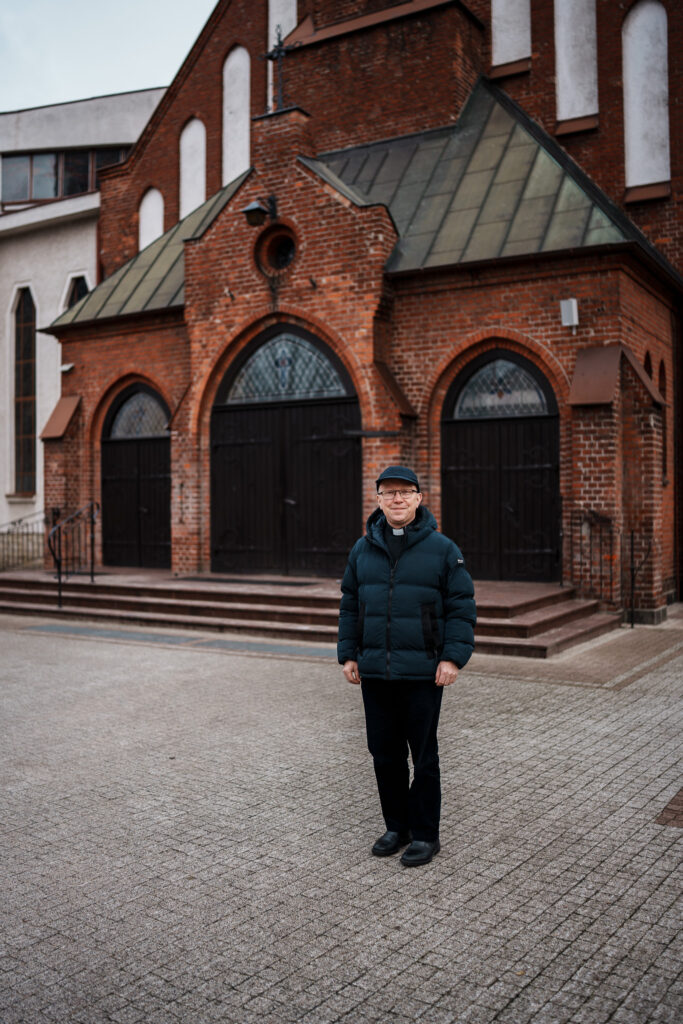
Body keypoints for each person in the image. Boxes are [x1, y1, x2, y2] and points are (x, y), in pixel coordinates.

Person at [338, 466, 476, 866]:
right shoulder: (362, 550)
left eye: (405, 492)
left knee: (423, 755)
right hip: (375, 672)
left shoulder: (443, 549)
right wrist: (348, 654)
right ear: (378, 500)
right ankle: (396, 826)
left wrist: (452, 657)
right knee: (384, 753)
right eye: (388, 493)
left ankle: (426, 834)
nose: (397, 499)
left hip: (422, 672)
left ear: (418, 498)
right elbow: (349, 605)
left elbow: (462, 608)